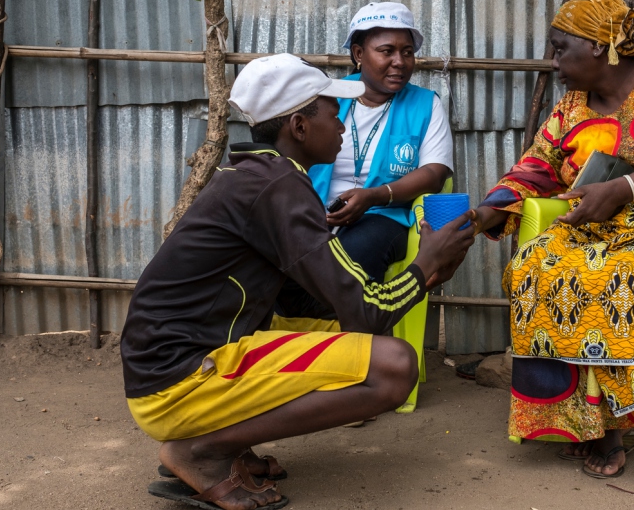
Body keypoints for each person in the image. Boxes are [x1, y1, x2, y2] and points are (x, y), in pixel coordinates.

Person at [120, 53, 474, 510]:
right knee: (394, 366)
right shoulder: (278, 186)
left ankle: (218, 439)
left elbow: (305, 301)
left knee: (365, 339)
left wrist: (420, 274)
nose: (343, 126)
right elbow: (368, 309)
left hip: (169, 368)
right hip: (179, 379)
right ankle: (202, 449)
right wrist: (425, 267)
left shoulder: (261, 177)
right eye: (334, 114)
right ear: (299, 126)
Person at [471, 0, 634, 480]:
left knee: (620, 278)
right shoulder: (571, 107)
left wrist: (626, 187)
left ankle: (612, 423)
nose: (553, 63)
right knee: (534, 266)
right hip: (594, 227)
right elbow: (535, 169)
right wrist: (483, 215)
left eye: (559, 48)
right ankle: (576, 419)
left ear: (596, 46)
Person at [277, 2, 453, 320]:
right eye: (386, 51)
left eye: (407, 52)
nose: (399, 62)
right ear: (359, 53)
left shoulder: (426, 104)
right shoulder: (329, 98)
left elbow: (435, 172)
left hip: (385, 216)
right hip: (316, 213)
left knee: (354, 254)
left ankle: (343, 335)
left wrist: (375, 196)